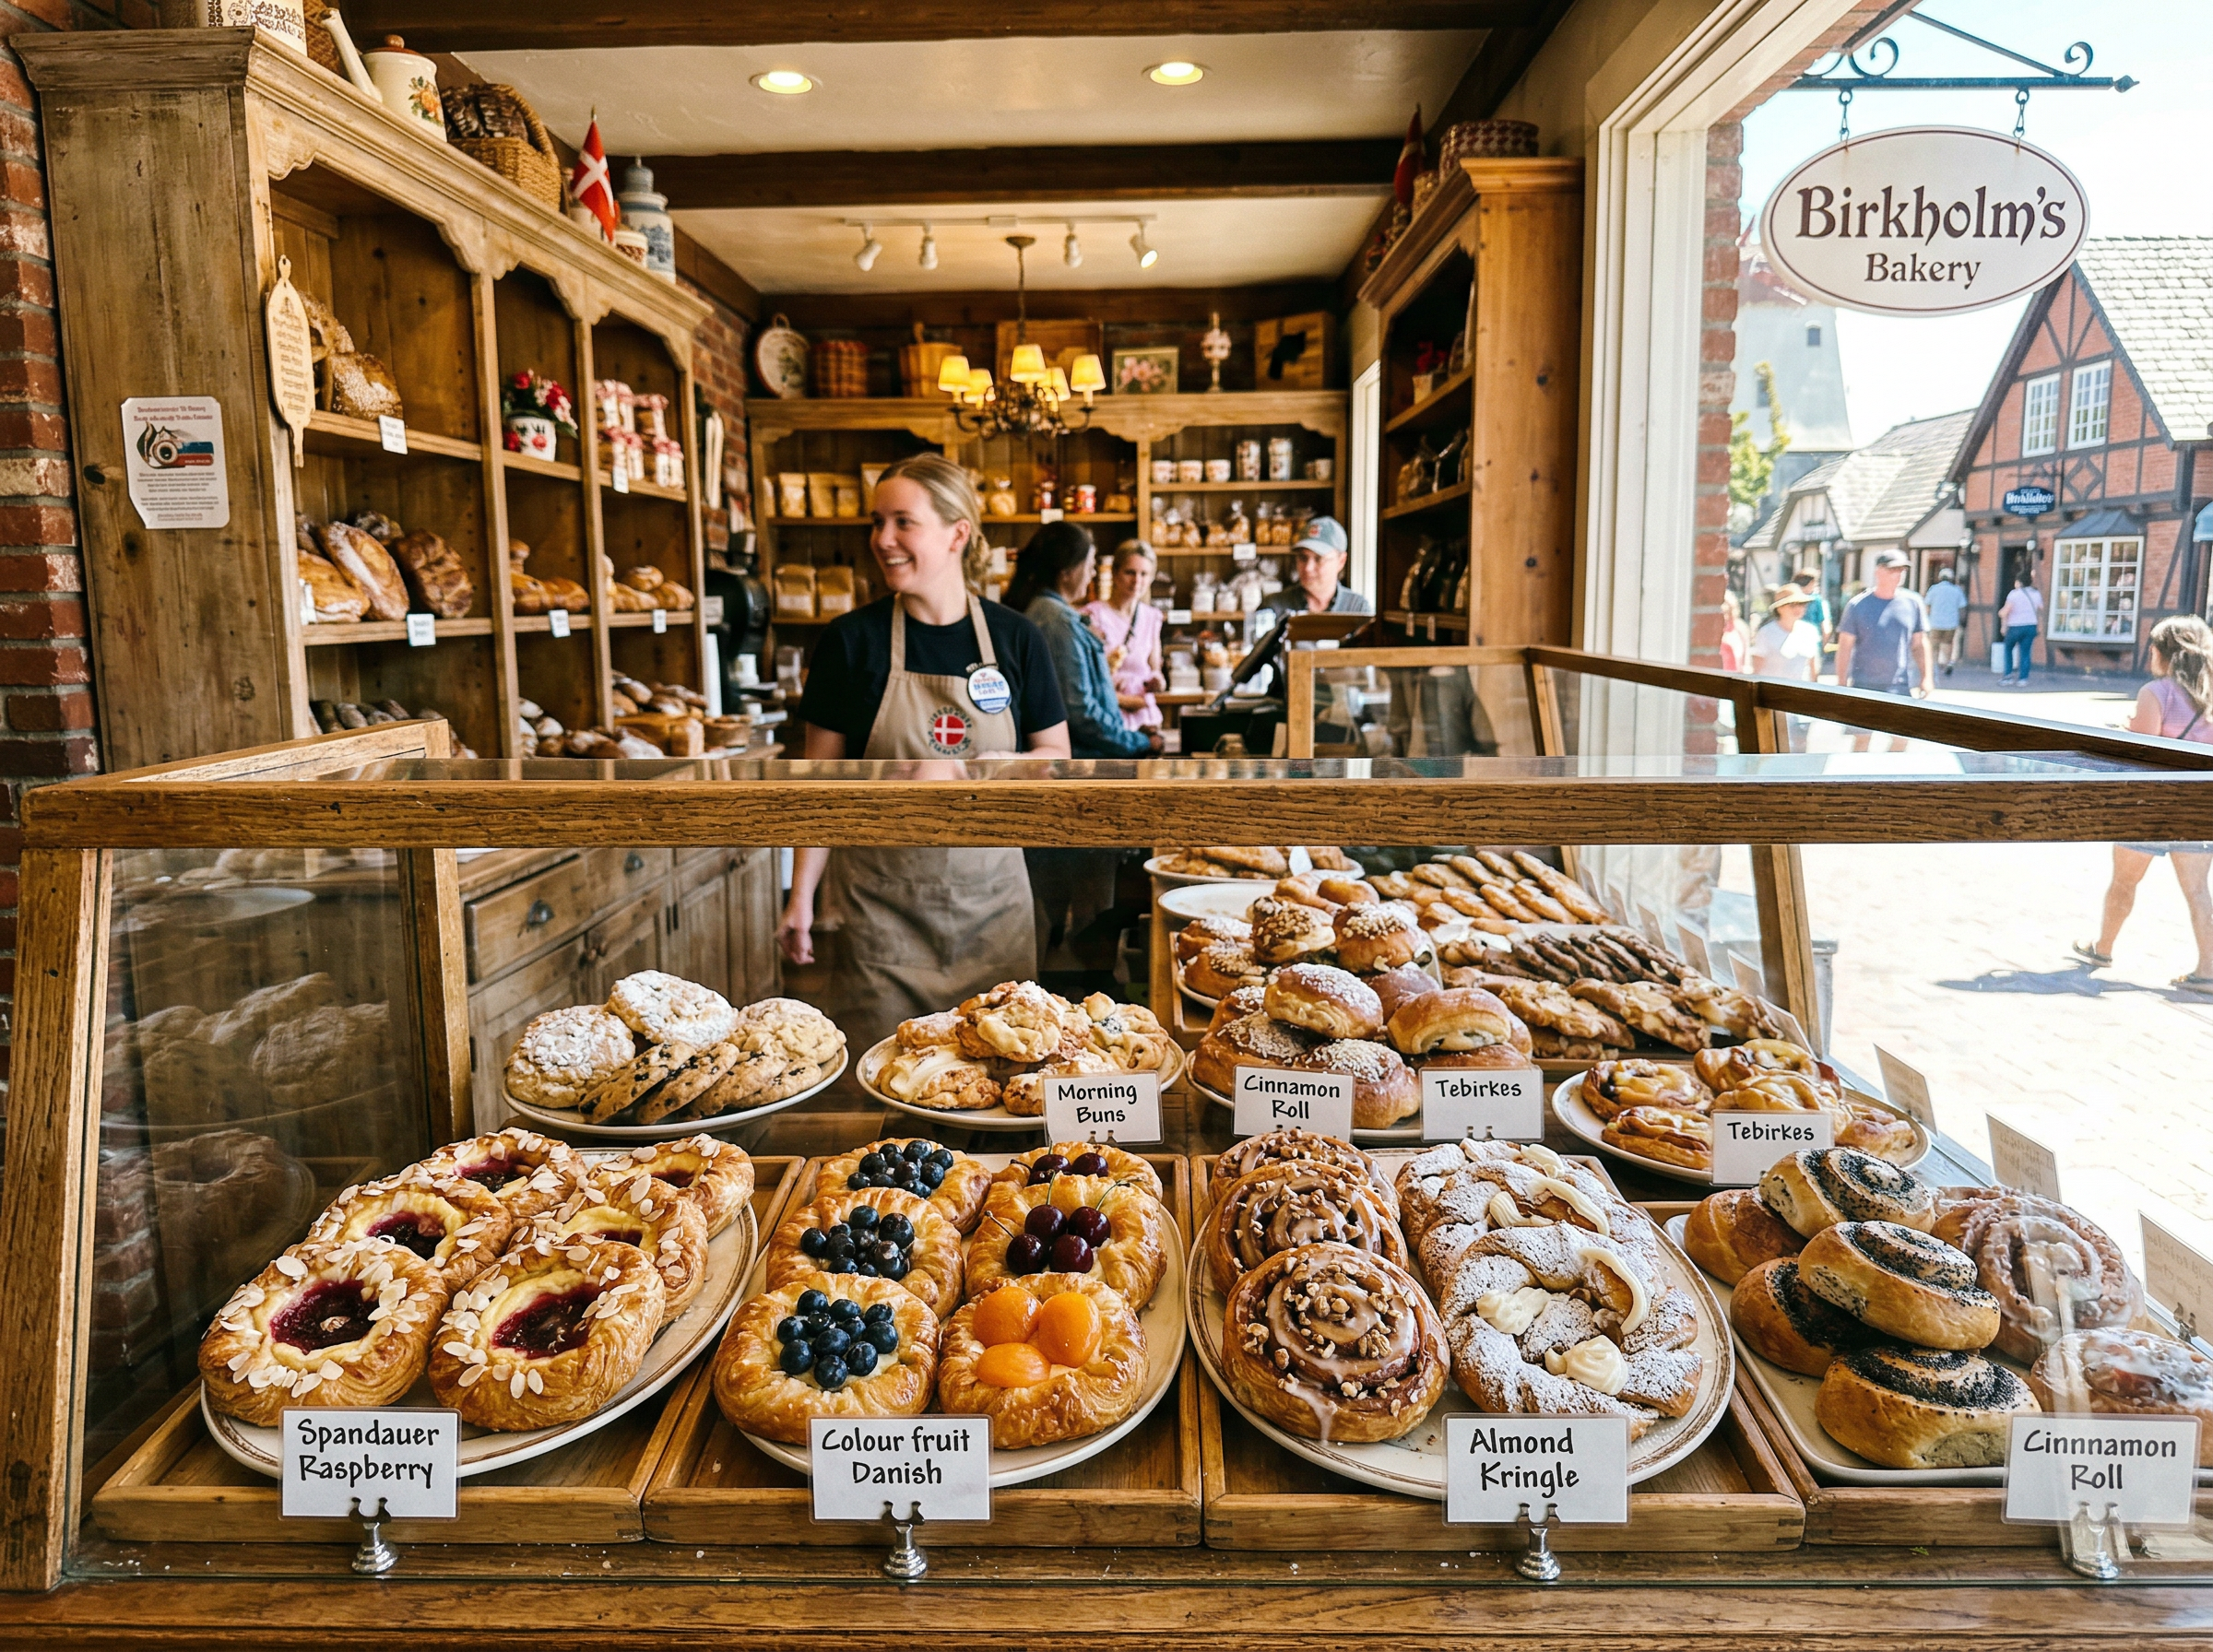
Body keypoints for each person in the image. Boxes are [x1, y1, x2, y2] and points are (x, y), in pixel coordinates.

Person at [778, 454, 1071, 1049]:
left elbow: (1055, 758)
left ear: (957, 533)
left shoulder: (1016, 637)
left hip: (993, 906)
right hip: (883, 916)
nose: (881, 540)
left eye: (902, 522)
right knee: (889, 1081)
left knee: (1005, 1075)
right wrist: (800, 896)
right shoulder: (849, 642)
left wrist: (965, 769)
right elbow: (818, 786)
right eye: (876, 522)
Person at [2072, 615, 2213, 993]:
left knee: (2124, 882)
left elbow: (2145, 751)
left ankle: (2103, 949)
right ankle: (2208, 970)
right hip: (2199, 805)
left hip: (2151, 805)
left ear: (2164, 653)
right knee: (2198, 890)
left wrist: (2123, 731)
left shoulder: (2156, 692)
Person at [1006, 523, 1161, 761]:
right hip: (1086, 761)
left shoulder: (1048, 612)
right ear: (1067, 571)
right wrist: (1138, 741)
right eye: (1089, 565)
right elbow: (1080, 712)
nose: (1093, 573)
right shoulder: (1059, 622)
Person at [1832, 549, 1931, 753]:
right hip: (1864, 683)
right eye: (1893, 569)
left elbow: (1920, 643)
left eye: (1902, 570)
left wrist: (1926, 677)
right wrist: (1841, 683)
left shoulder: (1912, 603)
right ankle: (1859, 781)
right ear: (1879, 571)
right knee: (1862, 739)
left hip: (1898, 684)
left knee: (1902, 738)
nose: (1898, 574)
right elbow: (1845, 647)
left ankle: (1887, 778)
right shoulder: (1858, 605)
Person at [1083, 539, 1166, 733]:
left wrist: (1158, 681)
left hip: (1144, 717)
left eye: (1144, 574)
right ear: (1115, 573)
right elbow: (1087, 675)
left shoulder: (1152, 617)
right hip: (1108, 711)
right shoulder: (1093, 615)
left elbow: (1155, 669)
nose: (1137, 581)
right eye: (1130, 572)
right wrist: (1125, 700)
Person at [1260, 516, 1371, 622]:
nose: (1308, 568)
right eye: (1303, 558)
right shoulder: (1273, 606)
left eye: (1318, 559)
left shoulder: (1358, 609)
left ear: (1341, 561)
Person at [1751, 584, 1821, 681]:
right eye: (1792, 605)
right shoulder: (1766, 632)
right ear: (1779, 608)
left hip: (1800, 692)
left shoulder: (1810, 631)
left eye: (1802, 604)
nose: (1798, 609)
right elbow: (1757, 669)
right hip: (1773, 691)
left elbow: (1813, 665)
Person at [1999, 572, 2043, 686]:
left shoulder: (2014, 594)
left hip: (2015, 626)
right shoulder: (2036, 594)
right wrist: (2040, 625)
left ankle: (2008, 676)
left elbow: (2005, 611)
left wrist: (2001, 614)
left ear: (2019, 582)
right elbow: (2040, 609)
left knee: (2008, 649)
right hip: (2030, 625)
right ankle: (2023, 678)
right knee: (2025, 652)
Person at [1924, 566, 1965, 676]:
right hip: (1951, 623)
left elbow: (1927, 605)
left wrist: (1926, 618)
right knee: (1947, 644)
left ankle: (1934, 666)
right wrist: (1962, 621)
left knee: (1934, 646)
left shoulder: (1934, 589)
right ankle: (1948, 664)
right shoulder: (1957, 590)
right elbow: (1962, 607)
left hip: (1935, 622)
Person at [1718, 589, 1749, 673]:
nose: (1724, 608)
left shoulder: (1740, 628)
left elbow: (1746, 660)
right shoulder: (1714, 630)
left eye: (1727, 605)